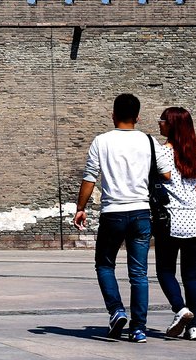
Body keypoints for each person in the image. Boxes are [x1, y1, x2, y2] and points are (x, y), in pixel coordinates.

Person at [73, 93, 172, 343]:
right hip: (141, 213)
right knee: (138, 273)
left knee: (105, 265)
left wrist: (80, 208)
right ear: (138, 117)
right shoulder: (150, 142)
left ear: (113, 114)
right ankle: (138, 328)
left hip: (112, 213)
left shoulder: (101, 141)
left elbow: (90, 177)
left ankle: (116, 310)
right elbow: (167, 175)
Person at [155, 107, 196, 341]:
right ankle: (194, 327)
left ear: (172, 126)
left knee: (165, 271)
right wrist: (195, 188)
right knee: (191, 277)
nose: (159, 123)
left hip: (171, 221)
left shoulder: (162, 154)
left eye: (162, 120)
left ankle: (181, 310)